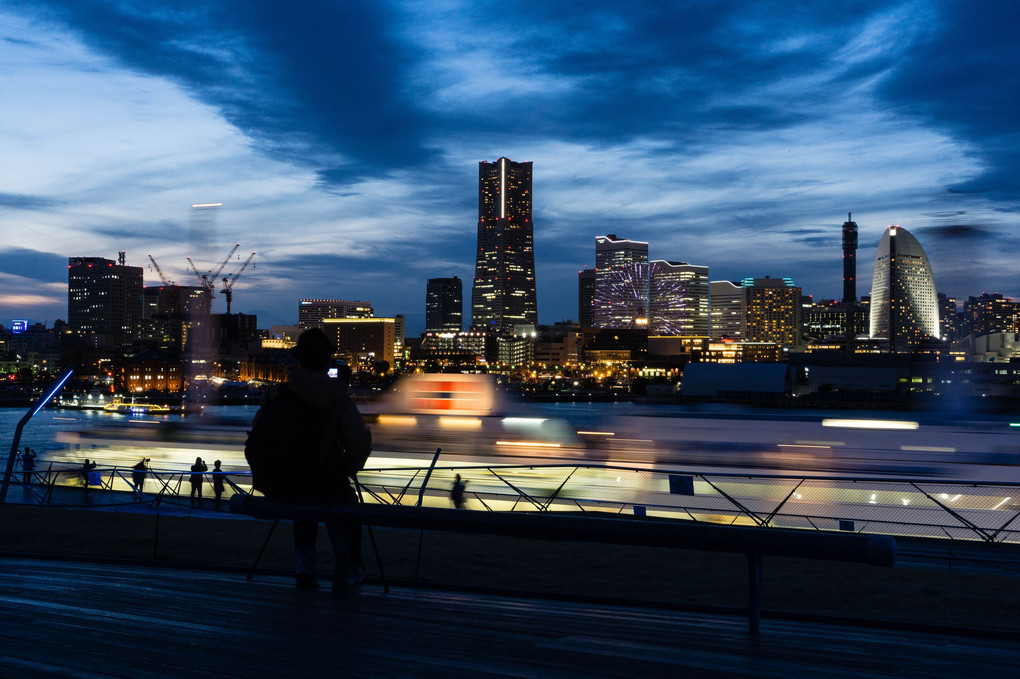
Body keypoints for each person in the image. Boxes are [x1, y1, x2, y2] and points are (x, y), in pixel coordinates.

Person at [250, 327, 372, 591]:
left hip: (284, 484)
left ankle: (305, 563)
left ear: (298, 360)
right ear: (326, 360)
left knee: (303, 497)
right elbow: (357, 444)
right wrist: (344, 469)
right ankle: (352, 566)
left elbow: (258, 437)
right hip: (325, 481)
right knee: (345, 504)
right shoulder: (337, 396)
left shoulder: (277, 394)